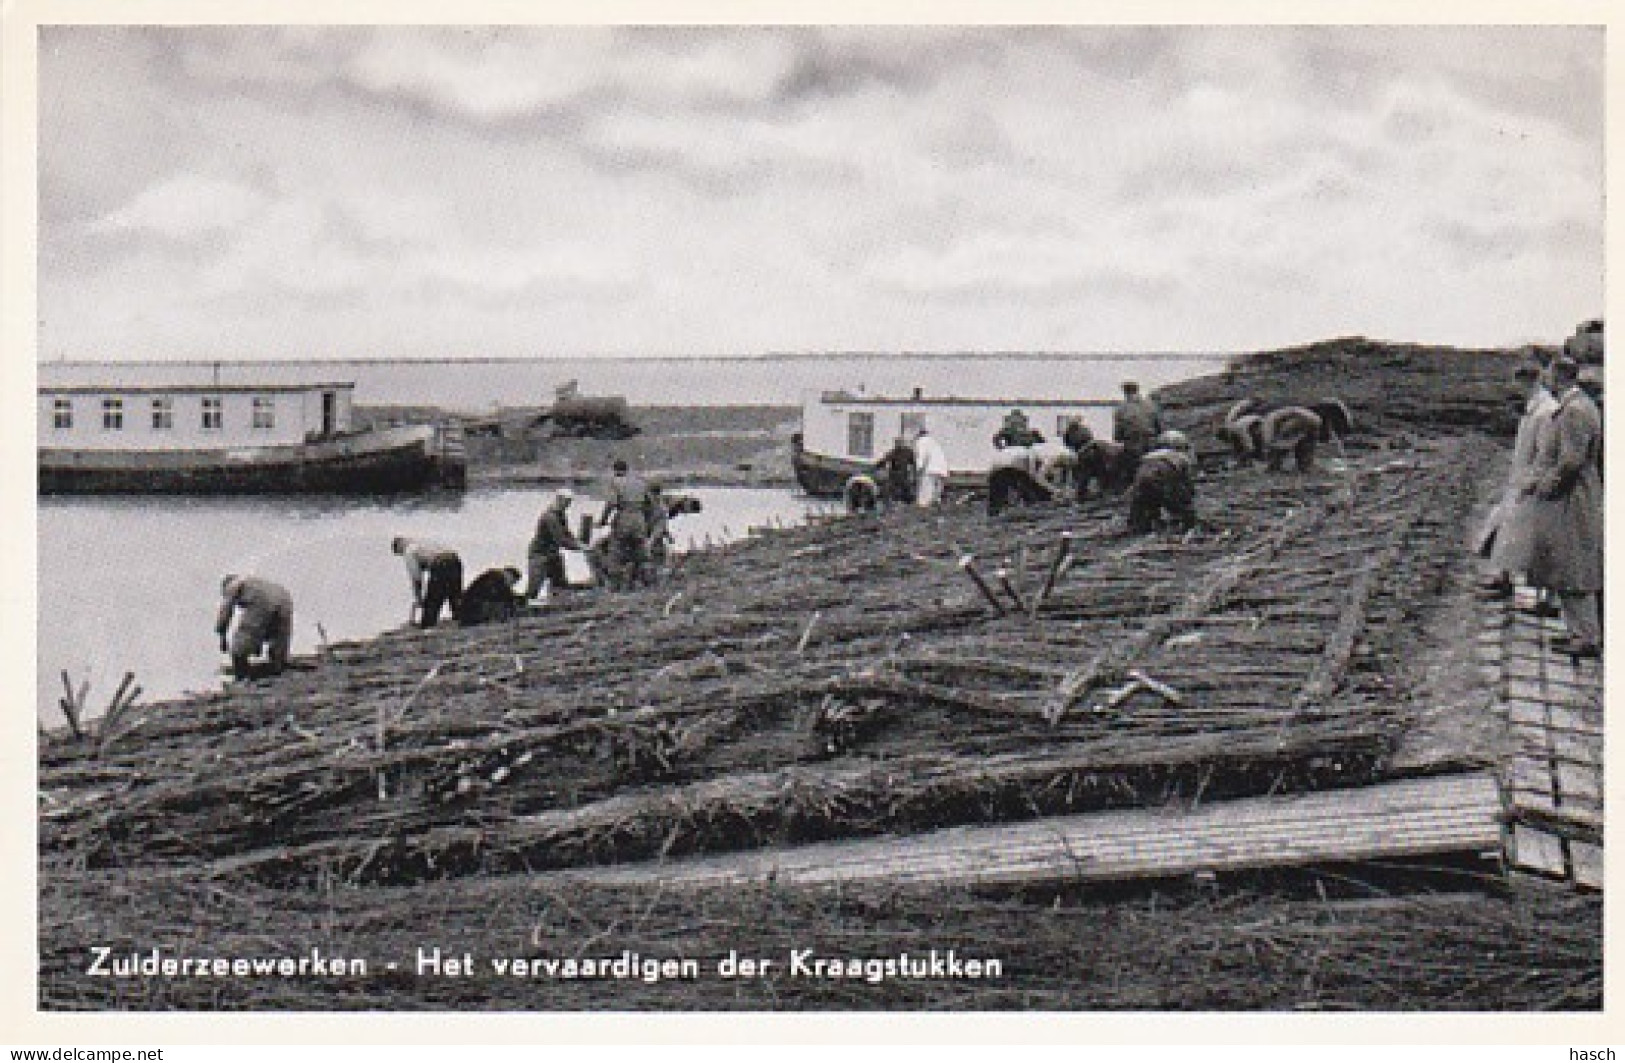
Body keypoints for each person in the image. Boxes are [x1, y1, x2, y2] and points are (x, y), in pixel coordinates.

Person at [1525, 356, 1603, 658]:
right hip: (1575, 494)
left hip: (1574, 497)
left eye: (1549, 376)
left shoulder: (1574, 411)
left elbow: (1571, 460)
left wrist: (1547, 485)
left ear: (1559, 378)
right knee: (1568, 566)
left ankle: (1586, 637)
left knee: (1574, 567)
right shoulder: (1579, 407)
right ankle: (1579, 634)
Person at [1474, 362, 1558, 599]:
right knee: (1506, 529)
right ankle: (1504, 578)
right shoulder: (1533, 408)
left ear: (1528, 382)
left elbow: (1544, 452)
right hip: (1520, 477)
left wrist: (1532, 481)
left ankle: (1541, 594)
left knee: (1531, 537)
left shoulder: (1545, 411)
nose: (1516, 389)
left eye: (1518, 383)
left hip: (1530, 481)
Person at [215, 574, 294, 681]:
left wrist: (222, 635)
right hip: (285, 599)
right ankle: (277, 668)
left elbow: (226, 611)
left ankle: (241, 678)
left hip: (261, 600)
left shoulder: (233, 585)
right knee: (279, 642)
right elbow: (264, 628)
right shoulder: (256, 582)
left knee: (239, 648)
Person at [1128, 430, 1197, 534]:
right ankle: (1188, 524)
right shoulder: (1180, 457)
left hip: (1142, 478)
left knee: (1142, 502)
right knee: (1176, 501)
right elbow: (1185, 482)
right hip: (1162, 477)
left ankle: (1139, 525)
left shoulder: (1150, 455)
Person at [600, 459, 652, 589]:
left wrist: (603, 520)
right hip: (639, 519)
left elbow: (611, 503)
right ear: (627, 469)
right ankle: (645, 583)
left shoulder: (615, 483)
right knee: (640, 552)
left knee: (616, 552)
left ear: (615, 471)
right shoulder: (640, 481)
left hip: (624, 518)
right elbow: (649, 503)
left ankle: (616, 586)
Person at [392, 536, 464, 628]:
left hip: (440, 563)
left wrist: (419, 598)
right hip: (454, 559)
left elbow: (416, 577)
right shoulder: (423, 543)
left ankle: (427, 625)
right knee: (455, 595)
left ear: (399, 547)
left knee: (433, 600)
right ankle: (460, 620)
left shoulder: (409, 551)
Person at [525, 489, 583, 601]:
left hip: (553, 554)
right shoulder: (550, 517)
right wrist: (580, 547)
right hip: (540, 556)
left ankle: (557, 604)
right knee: (533, 590)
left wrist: (577, 542)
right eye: (566, 502)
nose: (568, 505)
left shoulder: (560, 515)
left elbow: (567, 533)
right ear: (559, 499)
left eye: (569, 503)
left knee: (560, 586)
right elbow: (560, 539)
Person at [1063, 420, 1130, 499]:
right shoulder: (1098, 444)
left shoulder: (1088, 451)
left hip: (1120, 470)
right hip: (1122, 469)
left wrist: (1078, 493)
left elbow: (1083, 481)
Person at [1112, 381, 1164, 477]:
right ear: (1137, 390)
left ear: (1125, 392)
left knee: (1126, 468)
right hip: (1151, 444)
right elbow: (1159, 427)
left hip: (1133, 445)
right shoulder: (1151, 405)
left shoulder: (1121, 409)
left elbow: (1118, 434)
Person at [1259, 406, 1325, 472]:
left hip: (1304, 419)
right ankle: (1304, 465)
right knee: (1285, 445)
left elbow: (1272, 441)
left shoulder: (1269, 422)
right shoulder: (1271, 420)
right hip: (1309, 419)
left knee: (1284, 445)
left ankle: (1304, 465)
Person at [456, 567, 524, 626]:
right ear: (509, 575)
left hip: (469, 609)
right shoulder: (496, 577)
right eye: (513, 581)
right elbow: (499, 594)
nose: (512, 584)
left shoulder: (495, 577)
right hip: (471, 611)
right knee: (499, 602)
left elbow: (505, 593)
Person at [913, 426, 949, 507]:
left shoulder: (921, 441)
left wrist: (918, 469)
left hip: (930, 468)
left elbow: (922, 455)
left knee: (926, 487)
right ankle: (936, 503)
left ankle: (924, 505)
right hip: (942, 469)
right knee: (937, 488)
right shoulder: (934, 442)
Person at [879, 436, 918, 505]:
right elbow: (883, 461)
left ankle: (908, 503)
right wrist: (880, 466)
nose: (898, 445)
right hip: (894, 475)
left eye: (899, 443)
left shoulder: (908, 452)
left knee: (907, 491)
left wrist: (914, 475)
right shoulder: (893, 452)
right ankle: (889, 503)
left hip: (903, 475)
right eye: (896, 443)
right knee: (888, 489)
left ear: (902, 443)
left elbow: (914, 464)